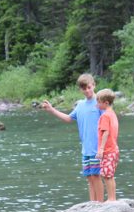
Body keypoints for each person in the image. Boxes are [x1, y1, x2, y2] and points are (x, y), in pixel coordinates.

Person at [40, 73, 103, 202]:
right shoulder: (80, 105)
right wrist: (52, 110)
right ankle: (92, 203)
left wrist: (104, 146)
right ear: (80, 89)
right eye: (84, 88)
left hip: (97, 148)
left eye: (89, 87)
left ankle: (101, 204)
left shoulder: (100, 103)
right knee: (89, 177)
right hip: (86, 148)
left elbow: (108, 123)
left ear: (94, 85)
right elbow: (69, 118)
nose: (87, 90)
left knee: (96, 176)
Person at [95, 88, 120, 202]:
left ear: (105, 103)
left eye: (98, 102)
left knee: (107, 175)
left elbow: (105, 132)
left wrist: (101, 149)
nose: (97, 104)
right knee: (110, 175)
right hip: (114, 149)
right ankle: (112, 198)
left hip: (108, 150)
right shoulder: (112, 114)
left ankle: (111, 199)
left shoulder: (105, 116)